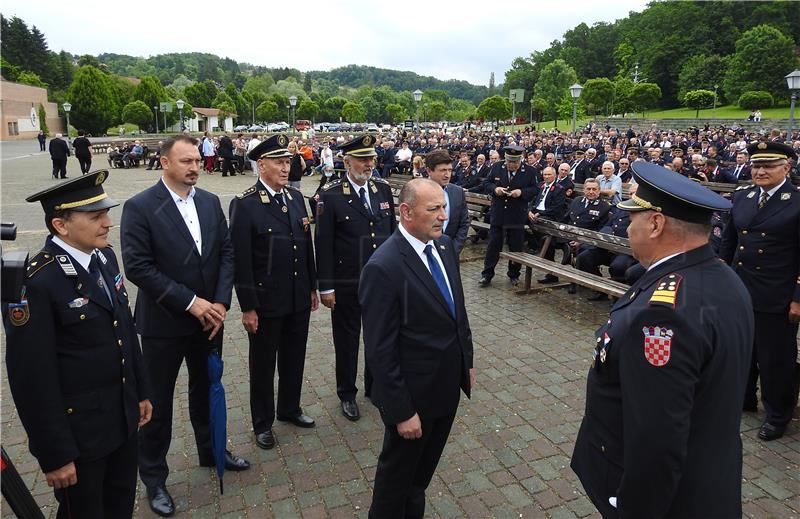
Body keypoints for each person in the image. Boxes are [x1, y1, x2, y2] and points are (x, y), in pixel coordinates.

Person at [571, 161, 754, 519]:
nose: (627, 226)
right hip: (708, 480)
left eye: (633, 218)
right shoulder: (724, 279)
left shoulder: (663, 313)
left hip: (669, 499)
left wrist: (634, 509)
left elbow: (656, 438)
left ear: (655, 224)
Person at [5, 170, 152, 518]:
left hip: (121, 418)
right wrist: (54, 454)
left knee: (119, 507)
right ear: (61, 225)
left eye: (106, 213)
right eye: (96, 216)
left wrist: (141, 391)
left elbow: (126, 333)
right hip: (81, 437)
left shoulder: (103, 258)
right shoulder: (37, 282)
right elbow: (31, 378)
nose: (107, 223)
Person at [120, 135, 249, 517]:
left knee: (207, 386)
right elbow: (139, 267)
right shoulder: (140, 207)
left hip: (211, 320)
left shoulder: (210, 202)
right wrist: (192, 303)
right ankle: (154, 477)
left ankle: (211, 450)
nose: (194, 167)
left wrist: (222, 302)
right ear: (164, 163)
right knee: (156, 401)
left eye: (196, 160)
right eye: (185, 161)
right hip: (165, 322)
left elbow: (226, 252)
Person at [360, 178, 474, 518]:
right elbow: (380, 350)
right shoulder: (384, 266)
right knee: (396, 482)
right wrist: (400, 411)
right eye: (433, 209)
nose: (443, 216)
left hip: (446, 387)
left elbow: (458, 311)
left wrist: (465, 360)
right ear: (406, 212)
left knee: (418, 481)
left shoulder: (445, 248)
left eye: (444, 208)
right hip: (413, 399)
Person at [229, 134, 319, 450]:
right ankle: (262, 422)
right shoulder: (245, 204)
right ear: (261, 165)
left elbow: (307, 248)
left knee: (295, 357)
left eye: (288, 161)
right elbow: (240, 260)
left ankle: (290, 408)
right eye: (280, 162)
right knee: (264, 364)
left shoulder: (296, 199)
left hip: (297, 296)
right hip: (266, 301)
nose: (286, 167)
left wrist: (312, 287)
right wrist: (248, 307)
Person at [719, 141, 800, 440]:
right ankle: (745, 399)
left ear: (786, 167)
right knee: (742, 349)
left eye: (768, 165)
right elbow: (728, 242)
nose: (760, 171)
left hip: (776, 294)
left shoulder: (796, 201)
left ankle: (778, 414)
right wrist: (721, 278)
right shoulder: (743, 197)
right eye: (756, 165)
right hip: (741, 287)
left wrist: (797, 299)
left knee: (775, 358)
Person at [315, 134, 396, 421]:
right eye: (363, 159)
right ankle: (346, 393)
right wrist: (326, 287)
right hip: (347, 281)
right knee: (347, 341)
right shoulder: (331, 194)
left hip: (380, 283)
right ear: (347, 161)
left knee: (379, 337)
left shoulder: (382, 190)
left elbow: (393, 236)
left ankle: (374, 388)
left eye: (372, 158)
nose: (369, 164)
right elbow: (323, 244)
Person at [478, 145, 538, 287]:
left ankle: (514, 274)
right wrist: (495, 189)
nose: (511, 165)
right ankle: (487, 275)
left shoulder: (530, 171)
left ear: (520, 160)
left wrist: (522, 193)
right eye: (509, 162)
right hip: (499, 214)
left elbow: (535, 189)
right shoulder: (497, 167)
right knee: (493, 246)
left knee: (516, 247)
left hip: (516, 215)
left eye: (515, 163)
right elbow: (486, 183)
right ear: (505, 160)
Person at [423, 149, 470, 255]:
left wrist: (454, 249)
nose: (447, 175)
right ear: (429, 171)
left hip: (451, 253)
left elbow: (464, 223)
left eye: (449, 170)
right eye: (443, 170)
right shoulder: (418, 193)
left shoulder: (458, 192)